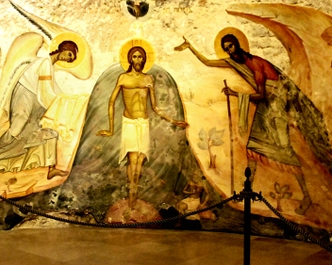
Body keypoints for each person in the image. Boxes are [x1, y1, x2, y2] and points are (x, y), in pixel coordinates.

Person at [175, 30, 332, 215]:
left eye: (231, 46)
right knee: (252, 148)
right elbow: (208, 62)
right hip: (265, 106)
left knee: (285, 152)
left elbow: (261, 94)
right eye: (226, 49)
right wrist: (190, 47)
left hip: (276, 106)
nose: (230, 51)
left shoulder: (256, 64)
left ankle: (307, 196)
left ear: (238, 45)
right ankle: (246, 190)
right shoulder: (236, 62)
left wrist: (235, 94)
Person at [97, 41, 188, 209]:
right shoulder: (123, 78)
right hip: (130, 122)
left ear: (144, 59)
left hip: (143, 122)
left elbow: (155, 107)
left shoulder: (148, 79)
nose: (138, 59)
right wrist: (110, 129)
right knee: (132, 159)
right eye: (135, 56)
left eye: (140, 57)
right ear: (130, 59)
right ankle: (131, 198)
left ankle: (134, 194)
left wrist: (173, 120)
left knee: (140, 160)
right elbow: (111, 102)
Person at [0, 40, 80, 182]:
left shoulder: (49, 65)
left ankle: (51, 168)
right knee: (17, 128)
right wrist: (59, 102)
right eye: (69, 54)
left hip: (36, 99)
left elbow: (53, 89)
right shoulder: (44, 62)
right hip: (25, 94)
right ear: (63, 49)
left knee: (47, 129)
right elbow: (46, 91)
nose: (68, 59)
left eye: (70, 59)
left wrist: (66, 100)